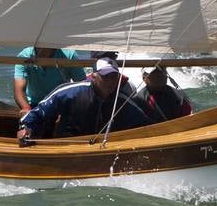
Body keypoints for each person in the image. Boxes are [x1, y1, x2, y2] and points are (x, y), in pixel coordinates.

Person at [17, 57, 150, 142]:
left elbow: (145, 125)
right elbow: (38, 112)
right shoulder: (70, 92)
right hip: (67, 145)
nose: (110, 81)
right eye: (105, 76)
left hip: (101, 149)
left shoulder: (121, 101)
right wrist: (26, 128)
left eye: (114, 76)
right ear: (93, 76)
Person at [13, 46, 86, 113]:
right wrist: (27, 109)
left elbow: (82, 87)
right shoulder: (24, 56)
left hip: (61, 103)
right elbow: (19, 91)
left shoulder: (70, 54)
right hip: (34, 104)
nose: (41, 50)